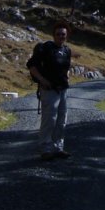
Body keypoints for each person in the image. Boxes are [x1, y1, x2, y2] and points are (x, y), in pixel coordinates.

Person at [27, 20, 73, 160]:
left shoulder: (66, 50)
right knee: (49, 120)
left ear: (67, 36)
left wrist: (67, 77)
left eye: (63, 34)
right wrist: (42, 80)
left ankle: (58, 148)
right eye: (58, 34)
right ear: (53, 35)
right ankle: (45, 149)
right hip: (49, 90)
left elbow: (66, 68)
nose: (61, 36)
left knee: (61, 120)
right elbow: (32, 66)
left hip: (63, 90)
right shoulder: (45, 48)